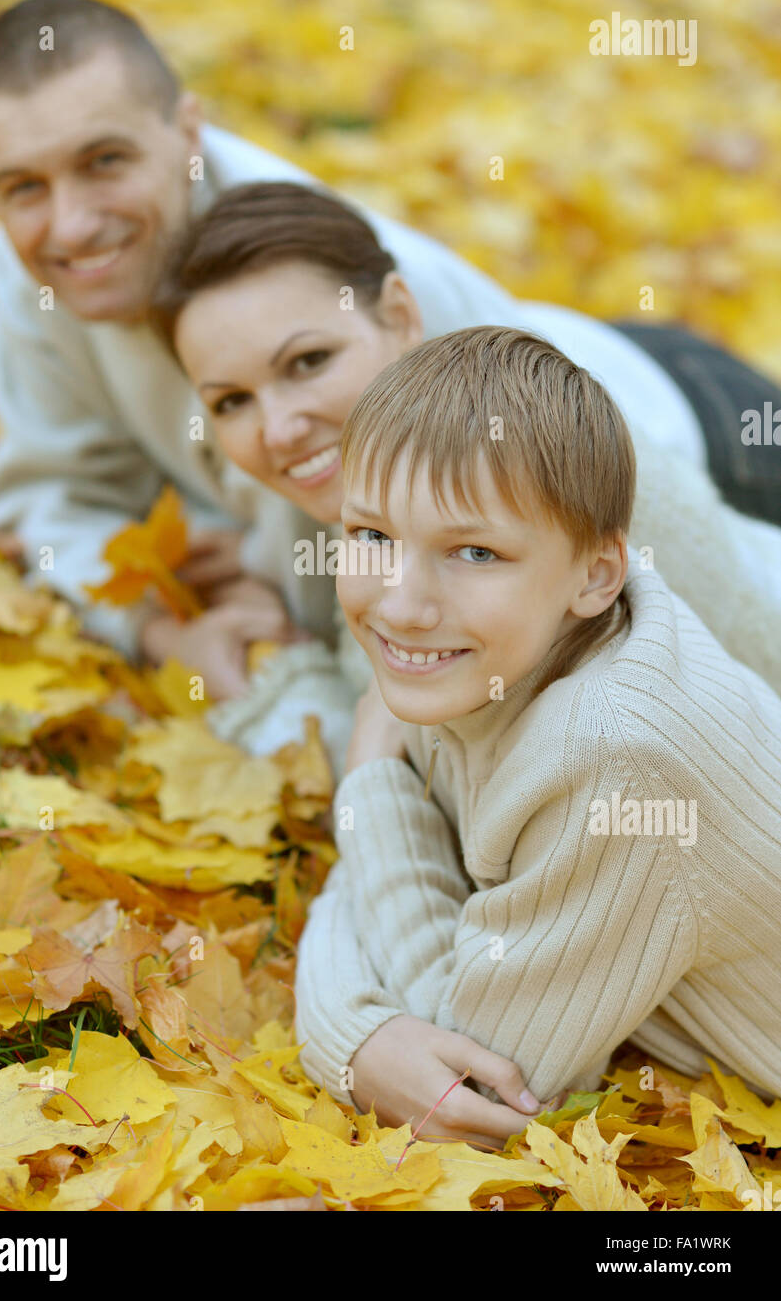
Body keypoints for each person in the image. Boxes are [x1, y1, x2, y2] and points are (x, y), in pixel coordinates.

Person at [0, 0, 780, 704]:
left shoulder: (375, 295)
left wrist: (251, 579)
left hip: (687, 431)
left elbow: (475, 579)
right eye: (23, 187)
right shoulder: (46, 266)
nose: (68, 223)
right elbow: (52, 497)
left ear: (189, 131)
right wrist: (162, 623)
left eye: (105, 161)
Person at [292, 326, 781, 1138]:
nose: (401, 603)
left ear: (596, 574)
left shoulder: (615, 756)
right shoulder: (494, 649)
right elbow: (414, 863)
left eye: (474, 552)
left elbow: (478, 1086)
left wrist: (348, 1030)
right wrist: (363, 1022)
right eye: (372, 536)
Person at [156, 179, 781, 775]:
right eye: (232, 401)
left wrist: (271, 677)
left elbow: (438, 804)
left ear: (402, 317)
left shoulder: (555, 488)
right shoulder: (385, 498)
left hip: (719, 414)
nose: (280, 429)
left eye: (310, 361)